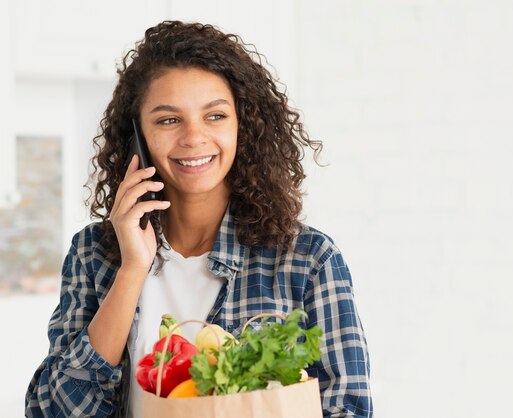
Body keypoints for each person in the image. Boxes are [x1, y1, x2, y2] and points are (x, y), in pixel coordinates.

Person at [25, 20, 372, 418]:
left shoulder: (308, 259)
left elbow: (348, 409)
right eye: (169, 120)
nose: (193, 138)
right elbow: (51, 410)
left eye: (215, 116)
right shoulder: (93, 254)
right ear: (137, 137)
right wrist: (132, 270)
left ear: (244, 124)